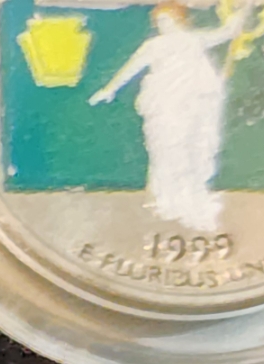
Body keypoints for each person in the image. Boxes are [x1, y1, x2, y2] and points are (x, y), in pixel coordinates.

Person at [89, 1, 254, 230]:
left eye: (167, 20)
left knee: (194, 149)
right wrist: (110, 89)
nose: (162, 24)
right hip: (166, 106)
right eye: (159, 21)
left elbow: (226, 32)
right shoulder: (154, 46)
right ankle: (168, 200)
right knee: (168, 151)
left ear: (180, 20)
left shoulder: (194, 40)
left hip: (193, 106)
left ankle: (192, 198)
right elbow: (132, 67)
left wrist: (242, 13)